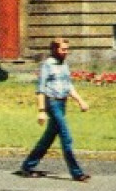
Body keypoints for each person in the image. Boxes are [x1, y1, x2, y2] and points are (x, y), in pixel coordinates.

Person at [18, 37, 90, 182]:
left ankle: (27, 166)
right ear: (54, 50)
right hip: (52, 103)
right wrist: (41, 111)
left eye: (67, 49)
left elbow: (69, 86)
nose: (66, 52)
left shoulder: (64, 65)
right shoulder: (47, 65)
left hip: (62, 103)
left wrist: (80, 101)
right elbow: (40, 89)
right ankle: (77, 173)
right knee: (66, 137)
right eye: (63, 49)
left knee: (48, 138)